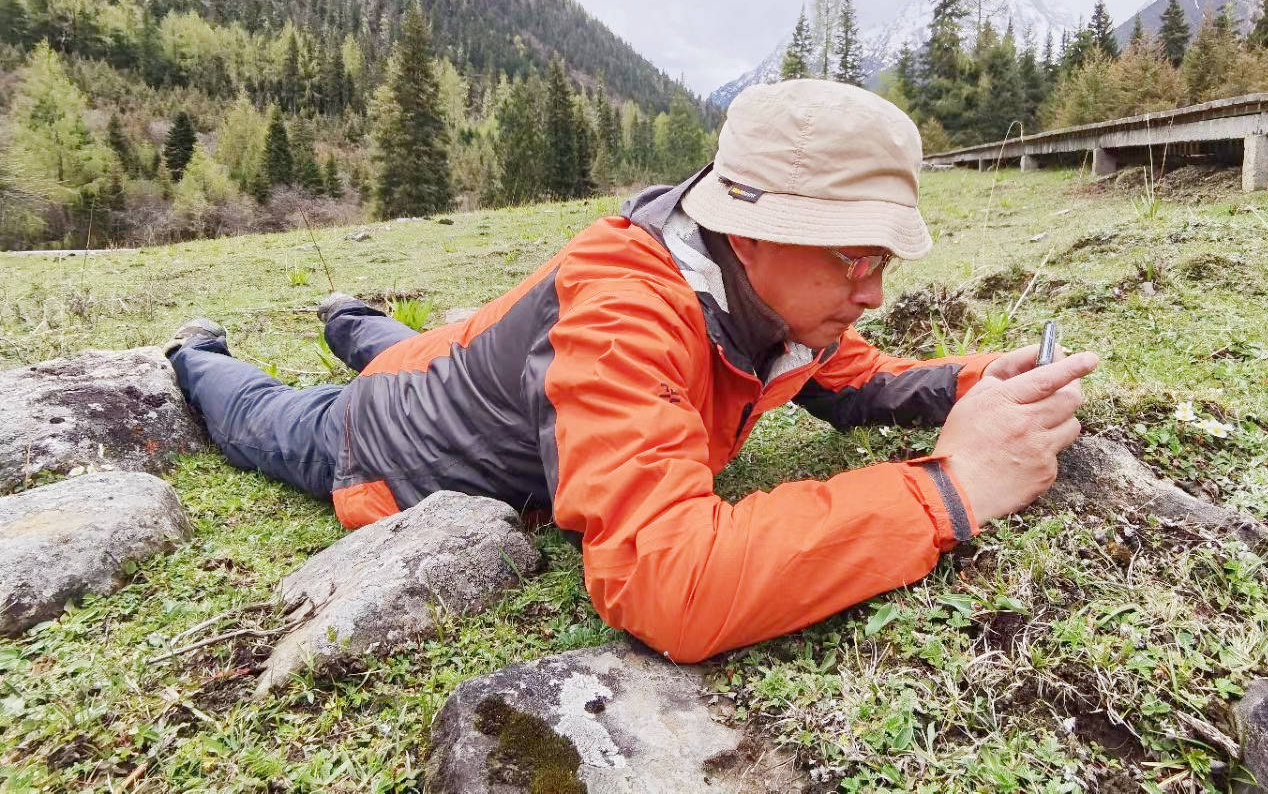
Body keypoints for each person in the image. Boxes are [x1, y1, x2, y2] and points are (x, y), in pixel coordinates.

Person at [166, 79, 1097, 663]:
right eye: (858, 259)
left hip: (481, 357)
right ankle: (193, 351)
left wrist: (979, 382)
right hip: (391, 434)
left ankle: (349, 316)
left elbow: (854, 381)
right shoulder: (624, 309)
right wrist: (953, 487)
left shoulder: (773, 298)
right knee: (265, 414)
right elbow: (670, 583)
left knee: (395, 339)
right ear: (752, 230)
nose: (876, 291)